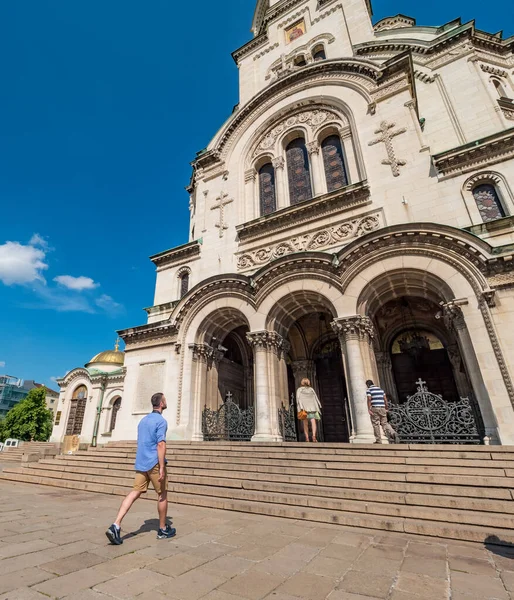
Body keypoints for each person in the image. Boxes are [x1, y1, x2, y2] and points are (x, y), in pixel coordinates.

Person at [105, 392, 176, 545]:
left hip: (141, 462)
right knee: (162, 494)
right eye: (165, 399)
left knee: (134, 492)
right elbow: (161, 444)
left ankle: (116, 525)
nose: (165, 401)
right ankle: (163, 529)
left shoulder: (143, 421)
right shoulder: (161, 421)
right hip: (154, 463)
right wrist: (162, 466)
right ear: (162, 403)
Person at [366, 380, 399, 444]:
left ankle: (378, 440)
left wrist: (369, 409)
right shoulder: (381, 390)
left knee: (376, 424)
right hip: (382, 408)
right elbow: (385, 399)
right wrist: (386, 407)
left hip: (375, 408)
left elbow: (369, 399)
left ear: (367, 385)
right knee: (385, 423)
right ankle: (393, 433)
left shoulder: (369, 390)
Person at [296, 378, 322, 442]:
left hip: (304, 409)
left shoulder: (299, 390)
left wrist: (300, 407)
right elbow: (315, 398)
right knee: (313, 422)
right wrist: (319, 406)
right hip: (312, 408)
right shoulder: (311, 389)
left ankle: (307, 438)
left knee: (305, 424)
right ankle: (314, 436)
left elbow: (298, 399)